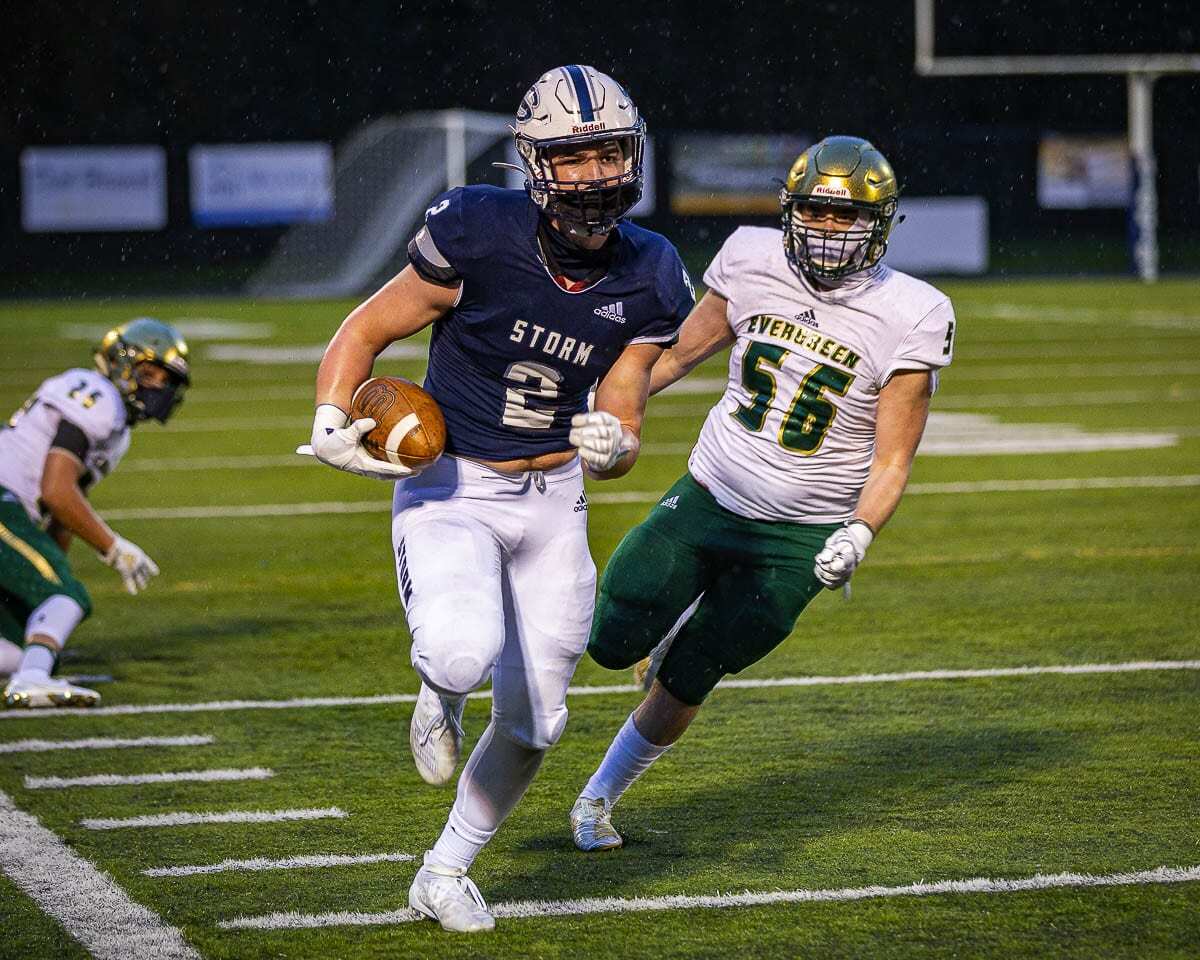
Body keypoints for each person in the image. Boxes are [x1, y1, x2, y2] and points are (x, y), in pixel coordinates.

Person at [303, 65, 694, 932]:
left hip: (555, 500)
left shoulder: (653, 270)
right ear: (534, 162)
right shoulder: (477, 231)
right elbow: (366, 326)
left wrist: (614, 443)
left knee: (537, 720)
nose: (595, 175)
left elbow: (624, 417)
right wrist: (333, 415)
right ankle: (437, 693)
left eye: (609, 154)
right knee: (457, 652)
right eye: (574, 155)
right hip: (454, 485)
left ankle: (442, 873)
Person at [568, 136, 957, 852]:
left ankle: (597, 796)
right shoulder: (751, 258)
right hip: (714, 489)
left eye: (849, 217)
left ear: (882, 223)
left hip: (801, 535)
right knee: (611, 634)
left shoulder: (914, 310)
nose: (830, 230)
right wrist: (602, 412)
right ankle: (665, 619)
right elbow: (679, 353)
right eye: (816, 211)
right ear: (789, 209)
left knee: (696, 670)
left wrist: (860, 532)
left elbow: (893, 457)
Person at [0, 319, 190, 708]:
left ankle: (30, 671)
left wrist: (52, 569)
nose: (157, 386)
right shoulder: (98, 396)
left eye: (163, 379)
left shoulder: (117, 427)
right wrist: (112, 547)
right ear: (122, 365)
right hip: (4, 501)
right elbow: (56, 491)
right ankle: (32, 682)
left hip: (14, 509)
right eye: (148, 373)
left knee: (20, 642)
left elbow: (66, 511)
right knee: (68, 598)